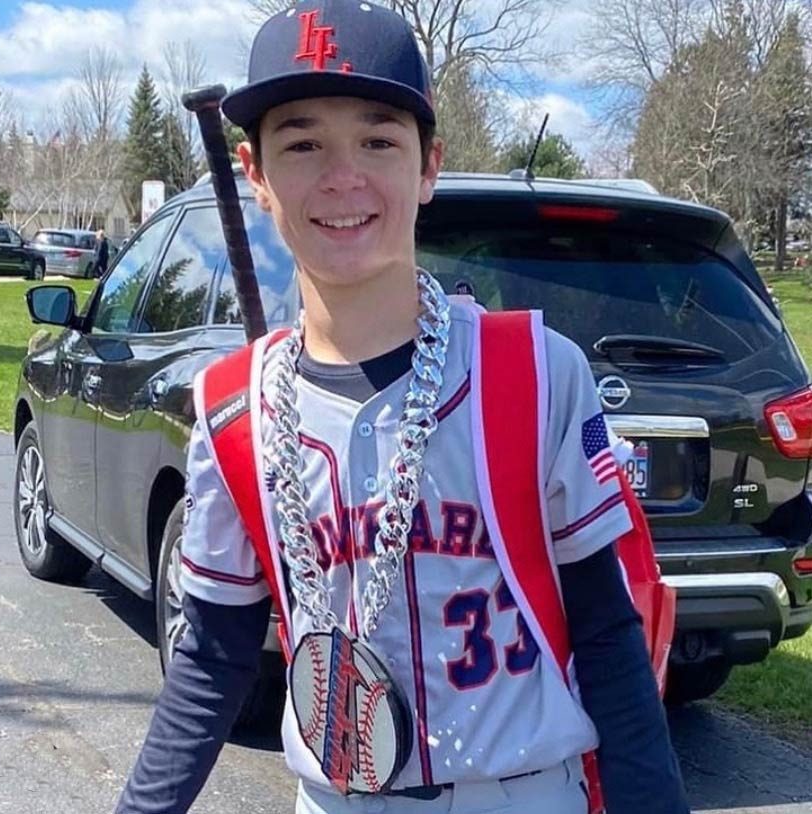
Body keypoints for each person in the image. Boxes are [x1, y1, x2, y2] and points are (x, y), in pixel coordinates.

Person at [115, 2, 690, 813]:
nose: (341, 176)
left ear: (428, 167)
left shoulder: (532, 372)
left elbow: (606, 635)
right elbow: (212, 657)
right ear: (256, 174)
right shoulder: (232, 410)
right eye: (303, 142)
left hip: (518, 791)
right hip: (332, 796)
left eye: (379, 140)